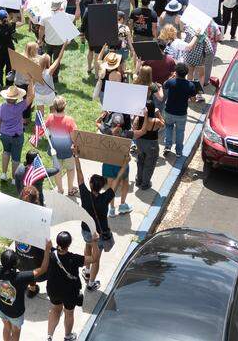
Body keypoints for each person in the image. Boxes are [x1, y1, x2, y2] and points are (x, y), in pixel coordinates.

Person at [72, 149, 127, 291]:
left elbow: (79, 176)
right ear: (102, 187)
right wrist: (125, 164)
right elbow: (117, 180)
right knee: (97, 257)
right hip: (100, 234)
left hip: (86, 230)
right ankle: (91, 283)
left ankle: (86, 269)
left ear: (90, 185)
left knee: (88, 246)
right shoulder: (106, 197)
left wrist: (76, 156)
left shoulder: (84, 194)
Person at [0, 224, 51, 341]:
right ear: (16, 263)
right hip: (16, 312)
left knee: (6, 327)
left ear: (1, 261)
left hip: (0, 306)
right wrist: (47, 250)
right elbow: (43, 269)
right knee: (16, 332)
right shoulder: (21, 277)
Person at [45, 230, 85, 341]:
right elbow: (94, 258)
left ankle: (49, 336)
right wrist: (95, 242)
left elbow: (50, 248)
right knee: (69, 313)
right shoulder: (75, 258)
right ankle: (68, 336)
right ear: (69, 244)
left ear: (57, 242)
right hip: (70, 292)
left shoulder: (51, 254)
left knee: (55, 309)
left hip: (53, 290)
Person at [162, 64, 201, 160]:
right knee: (180, 132)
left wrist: (171, 77)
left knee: (168, 129)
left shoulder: (171, 82)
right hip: (181, 113)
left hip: (169, 111)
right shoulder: (190, 85)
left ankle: (167, 146)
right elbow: (193, 100)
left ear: (176, 72)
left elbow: (164, 85)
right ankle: (179, 151)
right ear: (186, 73)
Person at [0, 84, 35, 179]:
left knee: (6, 152)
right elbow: (31, 96)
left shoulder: (1, 107)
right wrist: (31, 81)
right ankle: (14, 178)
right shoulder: (19, 107)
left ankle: (4, 174)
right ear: (16, 98)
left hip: (4, 134)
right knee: (16, 158)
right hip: (17, 136)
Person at [132, 101, 164, 190]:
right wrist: (158, 113)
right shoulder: (156, 121)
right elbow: (163, 124)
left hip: (140, 143)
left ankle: (139, 180)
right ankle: (145, 184)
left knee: (140, 161)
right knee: (149, 164)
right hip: (152, 145)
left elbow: (133, 128)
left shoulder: (138, 119)